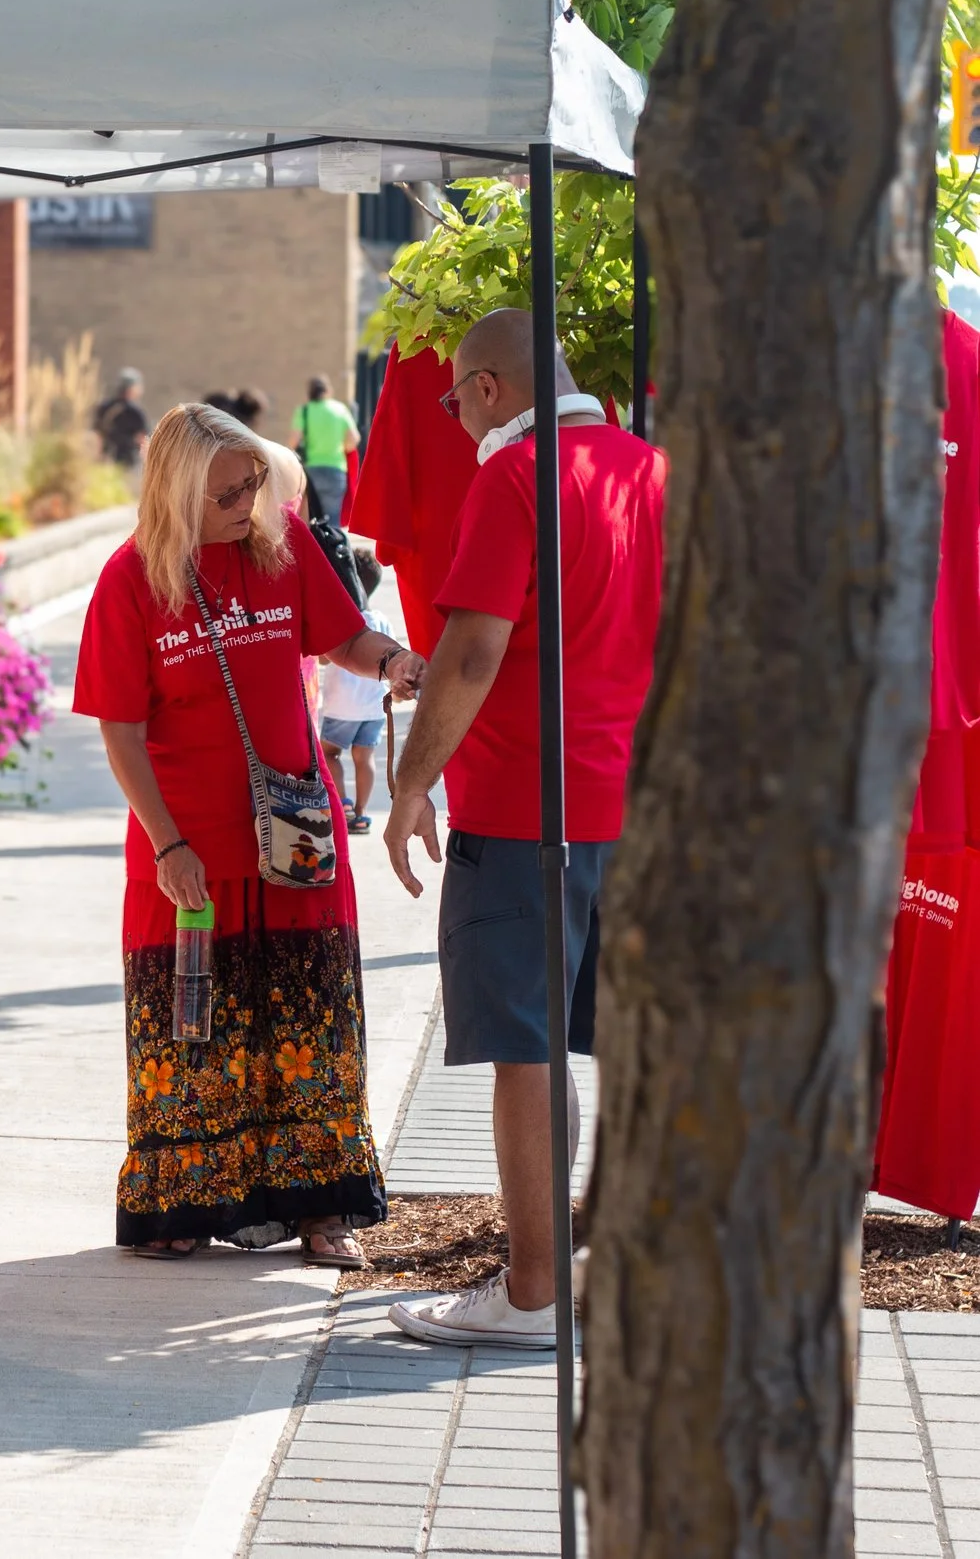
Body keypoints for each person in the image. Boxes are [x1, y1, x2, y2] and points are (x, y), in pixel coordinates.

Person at [72, 403, 423, 1263]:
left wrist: (392, 662)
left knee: (309, 1012)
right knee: (192, 1022)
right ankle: (185, 1205)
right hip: (188, 849)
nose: (249, 500)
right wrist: (166, 842)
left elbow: (341, 636)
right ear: (178, 491)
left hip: (295, 835)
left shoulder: (284, 544)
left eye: (255, 481)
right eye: (228, 491)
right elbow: (119, 730)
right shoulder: (131, 580)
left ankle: (320, 1208)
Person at [382, 309, 665, 1350]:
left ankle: (533, 1291)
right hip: (635, 804)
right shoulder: (648, 468)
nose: (454, 417)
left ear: (491, 388)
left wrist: (411, 782)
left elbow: (468, 653)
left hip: (525, 814)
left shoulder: (513, 478)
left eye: (454, 399)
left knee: (527, 1055)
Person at [319, 549, 391, 836]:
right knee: (366, 758)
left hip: (342, 707)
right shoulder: (381, 618)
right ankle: (361, 813)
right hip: (373, 707)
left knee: (331, 754)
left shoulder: (343, 619)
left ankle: (344, 805)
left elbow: (325, 657)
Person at [291, 375, 362, 525]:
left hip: (310, 471)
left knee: (311, 518)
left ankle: (315, 547)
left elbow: (293, 442)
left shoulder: (304, 411)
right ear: (328, 390)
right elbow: (354, 439)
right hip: (335, 469)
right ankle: (333, 547)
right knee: (333, 518)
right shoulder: (340, 409)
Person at [94, 368, 150, 468]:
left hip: (105, 462)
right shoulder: (135, 412)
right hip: (128, 465)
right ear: (132, 389)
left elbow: (98, 436)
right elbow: (143, 441)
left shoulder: (105, 407)